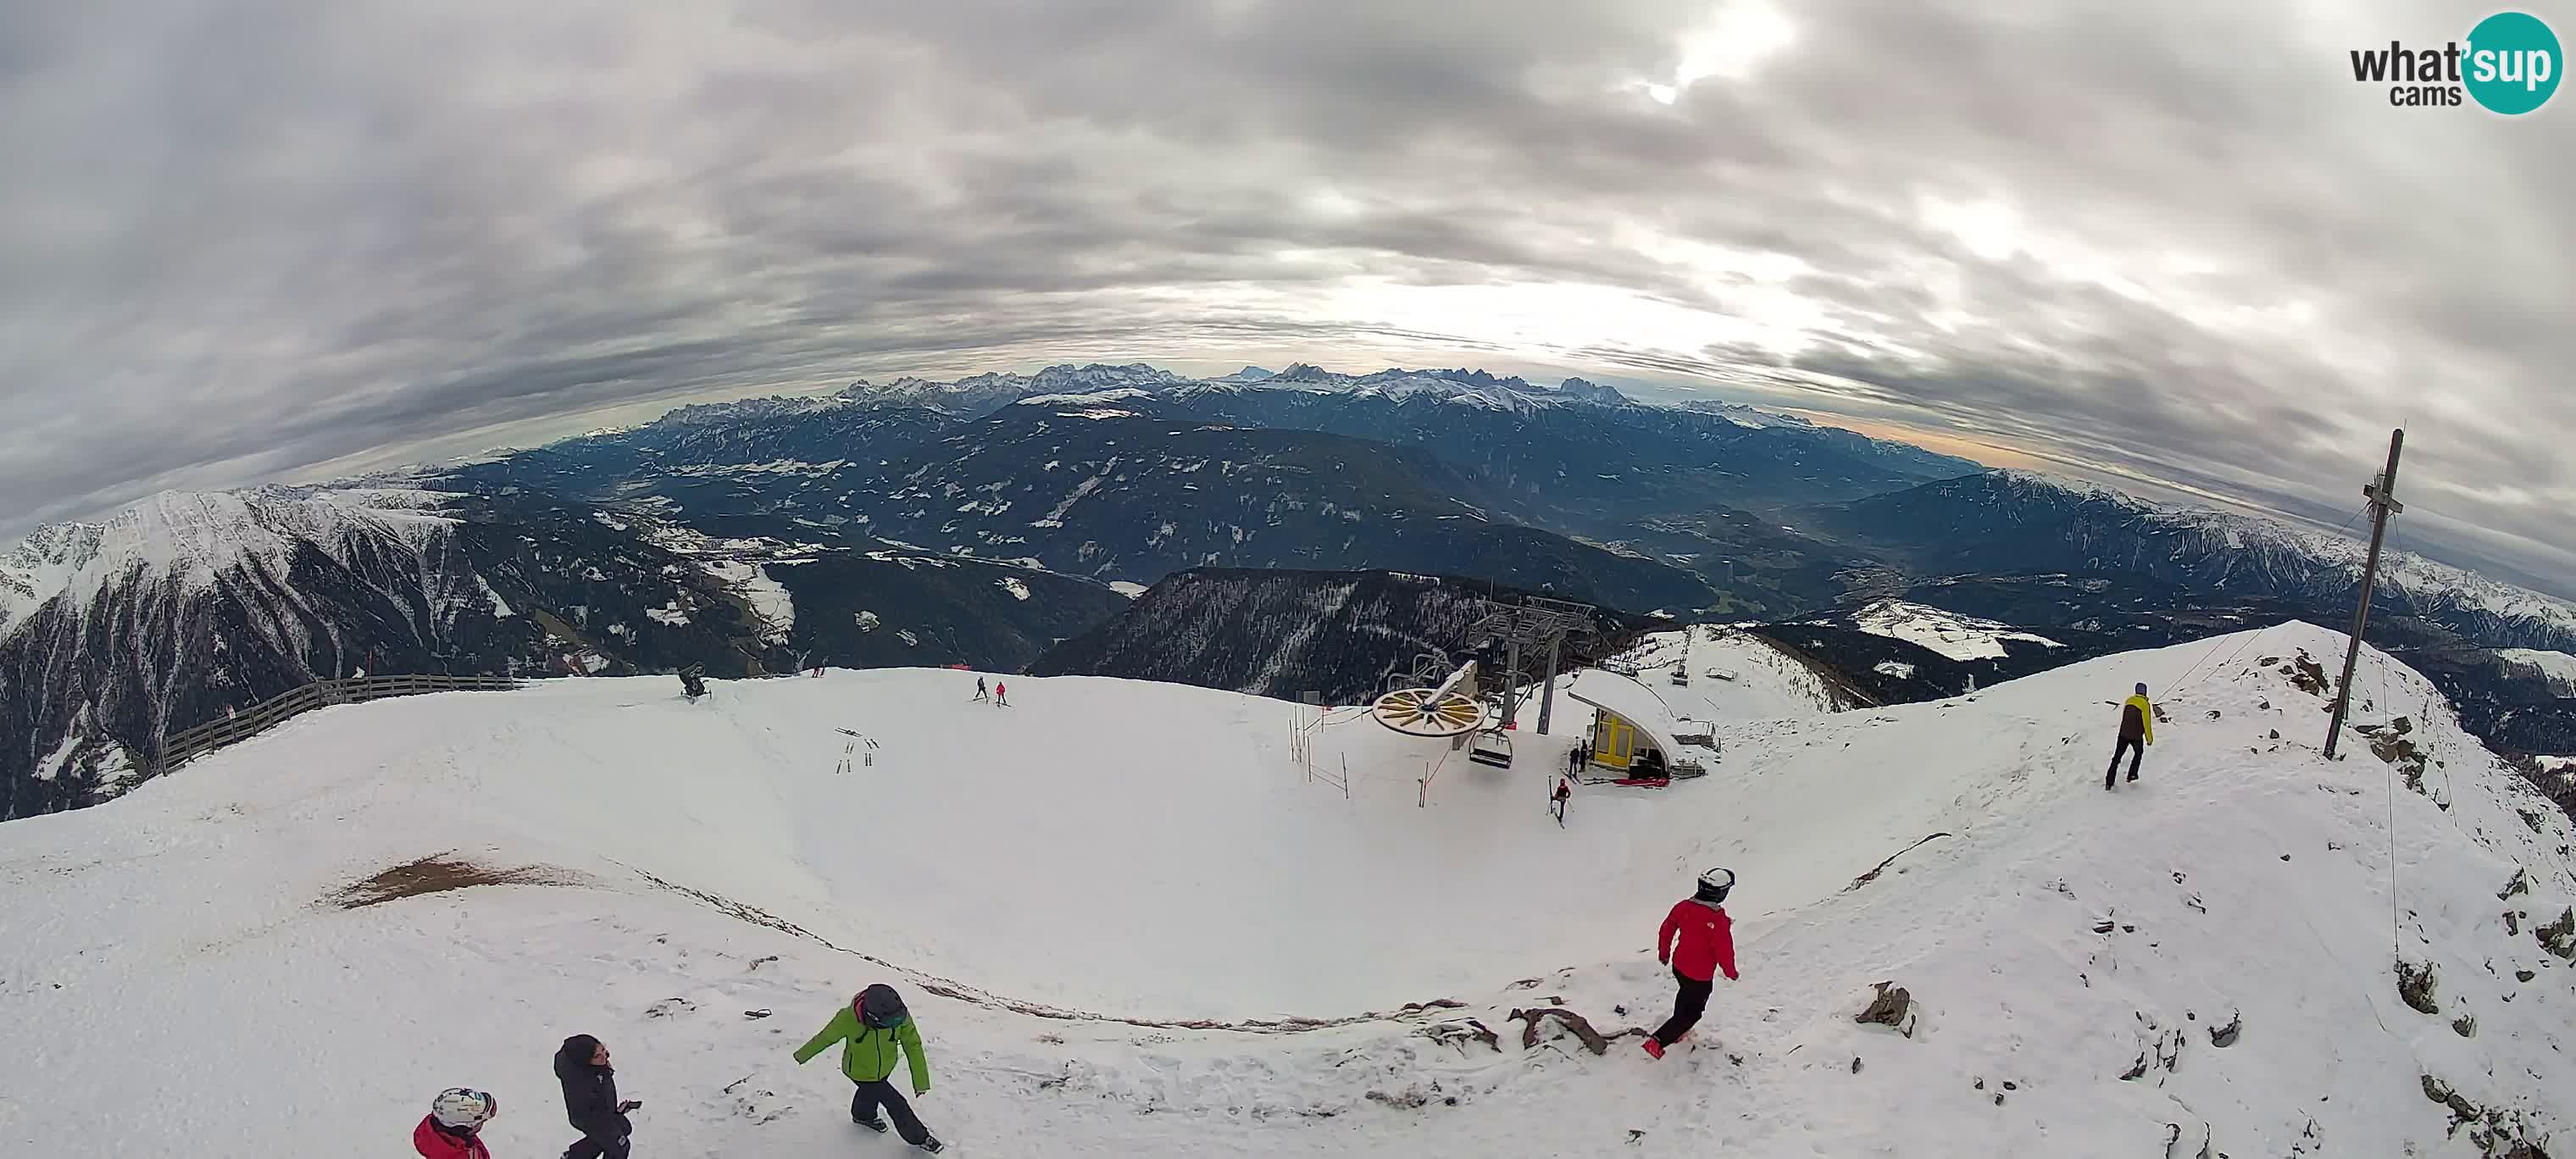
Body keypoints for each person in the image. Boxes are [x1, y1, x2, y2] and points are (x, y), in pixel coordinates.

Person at [793, 984, 944, 1153]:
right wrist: (802, 1055)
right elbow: (825, 1038)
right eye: (888, 1024)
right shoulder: (848, 1019)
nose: (894, 1025)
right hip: (859, 1071)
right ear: (873, 1017)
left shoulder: (898, 1015)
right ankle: (920, 1137)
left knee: (869, 1092)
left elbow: (913, 1046)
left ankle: (862, 1116)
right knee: (896, 1104)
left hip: (884, 1068)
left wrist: (920, 1081)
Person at [1644, 868, 1739, 1059]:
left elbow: (1667, 929)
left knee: (1685, 997)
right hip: (1700, 976)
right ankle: (1658, 1041)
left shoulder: (1683, 907)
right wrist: (1730, 971)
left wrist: (1664, 953)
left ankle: (1676, 1030)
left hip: (1679, 966)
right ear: (1721, 893)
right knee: (1693, 1013)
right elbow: (1724, 950)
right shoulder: (1717, 919)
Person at [554, 1034, 639, 1159]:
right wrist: (610, 1118)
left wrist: (614, 1112)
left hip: (602, 1113)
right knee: (620, 1146)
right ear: (585, 1062)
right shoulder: (581, 1082)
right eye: (597, 1056)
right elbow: (589, 1111)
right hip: (591, 1119)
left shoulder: (594, 1067)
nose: (605, 1056)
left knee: (623, 1128)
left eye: (603, 1050)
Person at [414, 1089, 497, 1159]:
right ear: (464, 1127)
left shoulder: (432, 1133)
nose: (482, 1124)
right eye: (481, 1122)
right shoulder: (465, 1156)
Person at [2107, 681, 2154, 790]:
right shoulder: (2144, 704)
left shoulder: (2129, 700)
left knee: (2117, 758)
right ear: (2145, 692)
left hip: (2123, 734)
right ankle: (2132, 775)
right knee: (2138, 753)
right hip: (2136, 736)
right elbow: (2146, 723)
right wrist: (2149, 739)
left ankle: (2109, 782)